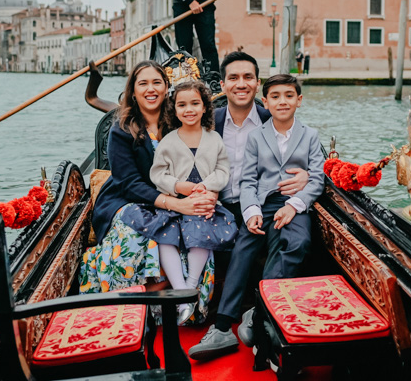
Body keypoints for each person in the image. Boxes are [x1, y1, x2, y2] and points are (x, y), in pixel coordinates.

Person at [189, 74, 325, 360]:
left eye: (289, 96)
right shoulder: (256, 136)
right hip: (262, 204)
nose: (283, 101)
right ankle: (223, 325)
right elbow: (248, 182)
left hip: (292, 204)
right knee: (243, 247)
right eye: (275, 96)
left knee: (296, 243)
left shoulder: (310, 135)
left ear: (299, 100)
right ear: (266, 102)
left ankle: (259, 312)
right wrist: (251, 212)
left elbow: (318, 178)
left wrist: (295, 204)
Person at [79, 61, 218, 309]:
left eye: (157, 82)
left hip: (177, 196)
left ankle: (177, 297)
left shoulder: (179, 121)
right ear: (133, 91)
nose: (150, 89)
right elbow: (128, 183)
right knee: (138, 234)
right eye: (143, 83)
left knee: (198, 226)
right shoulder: (121, 130)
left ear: (166, 87)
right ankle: (142, 298)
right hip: (126, 199)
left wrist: (200, 196)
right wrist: (175, 203)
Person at [122, 79, 237, 323]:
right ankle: (183, 292)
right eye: (182, 105)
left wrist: (206, 187)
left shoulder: (214, 138)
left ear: (205, 107)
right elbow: (158, 174)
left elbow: (223, 170)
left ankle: (191, 286)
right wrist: (178, 186)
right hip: (176, 202)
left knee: (203, 232)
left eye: (195, 103)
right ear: (174, 110)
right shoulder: (168, 141)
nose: (189, 109)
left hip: (204, 203)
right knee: (165, 236)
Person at [214, 52, 309, 229]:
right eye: (233, 78)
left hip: (264, 209)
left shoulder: (276, 121)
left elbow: (307, 156)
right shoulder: (208, 123)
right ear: (223, 85)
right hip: (218, 210)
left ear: (257, 84)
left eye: (248, 77)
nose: (241, 84)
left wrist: (307, 175)